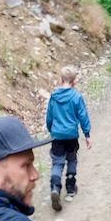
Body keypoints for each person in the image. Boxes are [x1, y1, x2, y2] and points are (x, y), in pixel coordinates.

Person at [45, 65, 92, 211]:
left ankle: (55, 187)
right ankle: (70, 189)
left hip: (57, 136)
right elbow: (83, 116)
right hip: (71, 136)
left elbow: (49, 116)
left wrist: (51, 129)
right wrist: (87, 134)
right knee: (71, 159)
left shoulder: (54, 96)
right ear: (74, 82)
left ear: (61, 80)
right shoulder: (76, 97)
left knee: (57, 162)